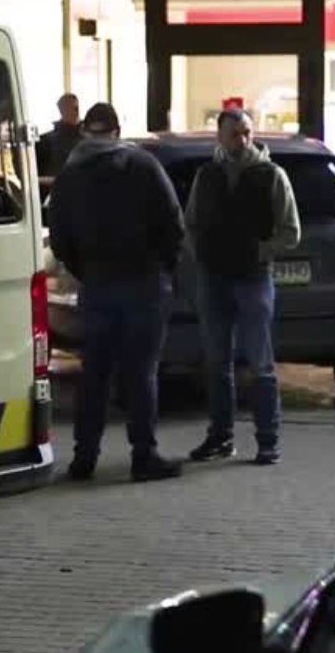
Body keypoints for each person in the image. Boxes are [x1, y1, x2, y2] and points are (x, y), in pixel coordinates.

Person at [48, 102, 184, 483]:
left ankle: (84, 459)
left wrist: (86, 271)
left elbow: (59, 238)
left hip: (97, 286)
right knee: (141, 373)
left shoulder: (71, 174)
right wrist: (163, 268)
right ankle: (144, 455)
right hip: (144, 284)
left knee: (94, 375)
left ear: (84, 131)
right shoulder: (143, 166)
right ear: (117, 130)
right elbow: (173, 223)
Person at [185, 109, 300, 466]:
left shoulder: (271, 175)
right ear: (219, 135)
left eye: (247, 132)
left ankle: (268, 440)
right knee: (217, 363)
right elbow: (191, 223)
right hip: (214, 278)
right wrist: (203, 254)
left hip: (253, 278)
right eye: (235, 133)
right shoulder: (207, 175)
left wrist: (258, 252)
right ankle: (220, 437)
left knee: (260, 363)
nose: (243, 139)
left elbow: (291, 231)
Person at [37, 93, 82, 199]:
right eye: (70, 108)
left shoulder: (90, 138)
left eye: (76, 108)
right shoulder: (45, 141)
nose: (75, 112)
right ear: (61, 110)